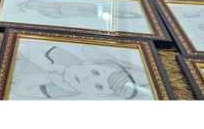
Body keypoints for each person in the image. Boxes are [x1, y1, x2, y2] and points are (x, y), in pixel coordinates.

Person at [9, 42, 152, 100]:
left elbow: (17, 89)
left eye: (99, 86)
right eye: (95, 73)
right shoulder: (69, 60)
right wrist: (42, 62)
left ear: (99, 95)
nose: (89, 79)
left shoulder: (62, 90)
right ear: (89, 62)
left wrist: (46, 77)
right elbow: (30, 44)